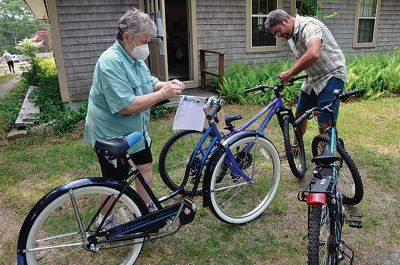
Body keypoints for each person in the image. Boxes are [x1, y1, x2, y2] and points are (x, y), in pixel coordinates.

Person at [84, 8, 185, 225]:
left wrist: (165, 85)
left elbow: (148, 81)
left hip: (135, 131)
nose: (146, 46)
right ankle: (105, 219)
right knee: (114, 182)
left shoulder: (133, 56)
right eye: (144, 41)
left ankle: (145, 208)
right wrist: (161, 95)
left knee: (145, 166)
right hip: (111, 133)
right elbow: (126, 106)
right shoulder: (110, 62)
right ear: (127, 37)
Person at [264, 9, 348, 136]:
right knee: (300, 114)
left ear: (285, 21)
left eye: (277, 31)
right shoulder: (291, 35)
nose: (278, 36)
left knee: (324, 119)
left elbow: (313, 53)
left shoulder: (308, 25)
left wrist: (290, 73)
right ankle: (295, 148)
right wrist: (292, 74)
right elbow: (301, 57)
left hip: (331, 75)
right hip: (313, 77)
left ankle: (324, 154)